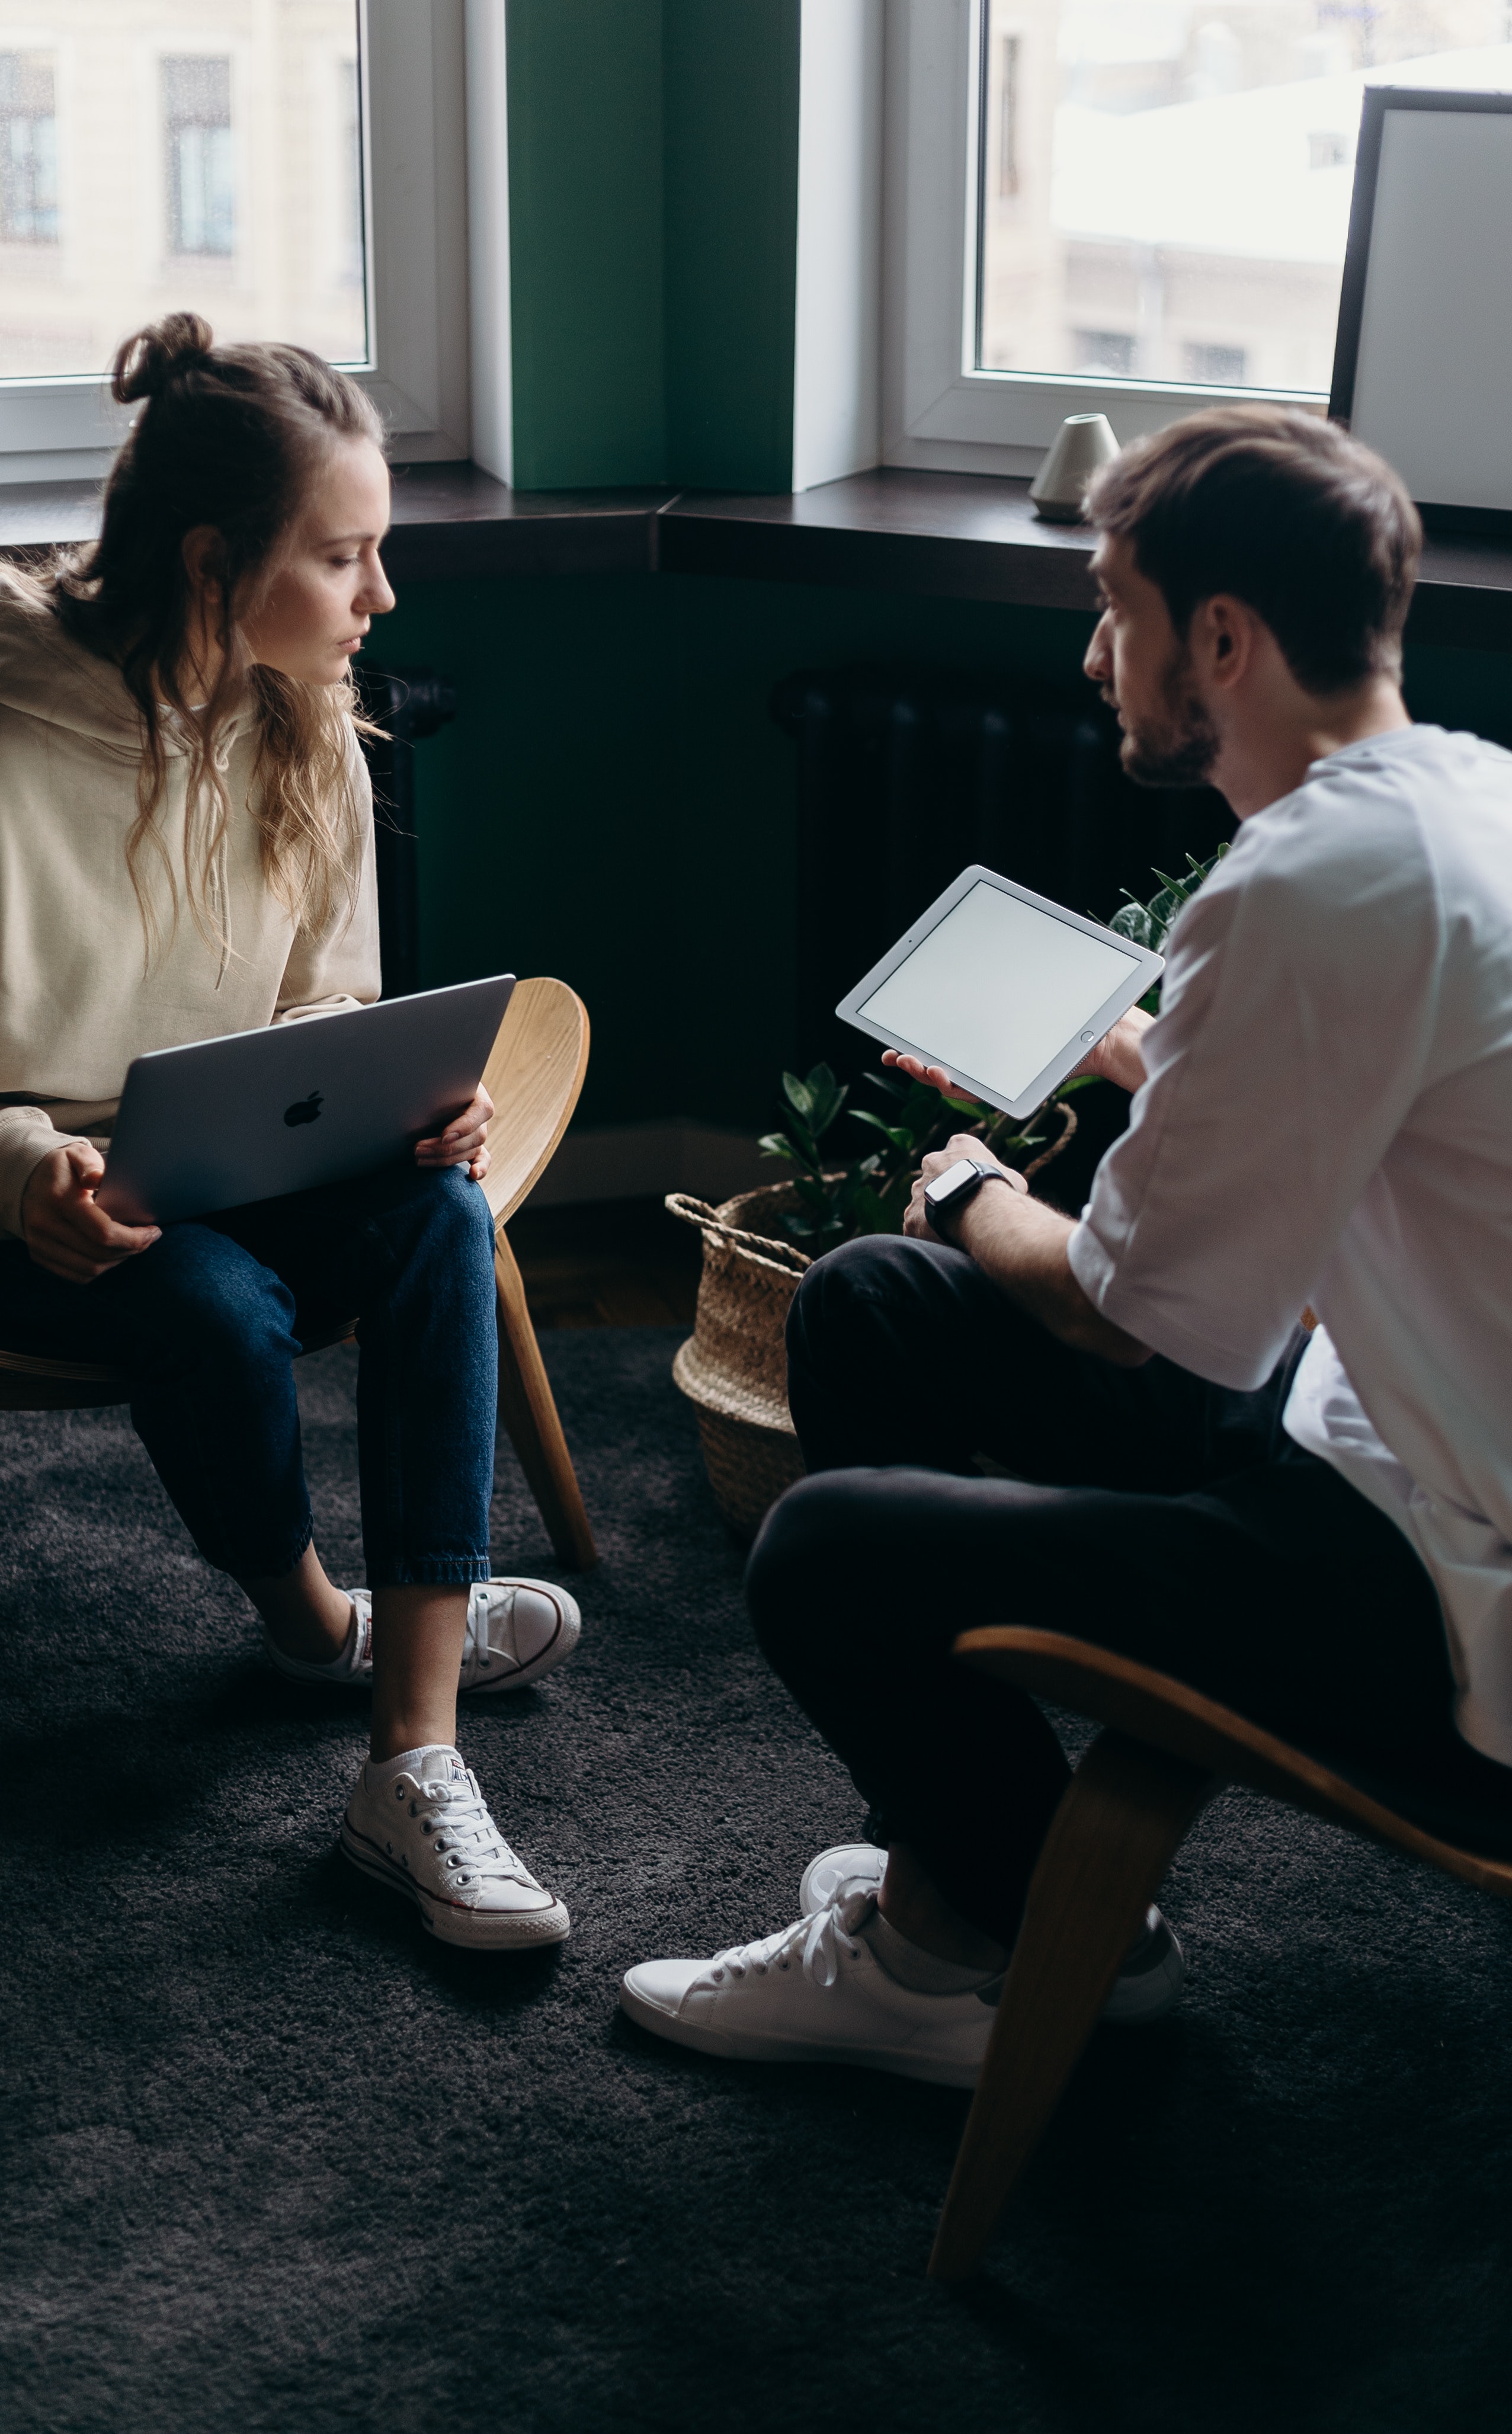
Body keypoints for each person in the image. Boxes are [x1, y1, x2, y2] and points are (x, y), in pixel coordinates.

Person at [621, 403, 1512, 2082]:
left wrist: (971, 1185)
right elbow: (1354, 1107)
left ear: (1225, 638)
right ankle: (988, 1892)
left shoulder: (1306, 884)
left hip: (1437, 1593)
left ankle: (985, 1937)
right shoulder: (1460, 804)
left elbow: (1125, 1320)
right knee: (876, 1306)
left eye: (1117, 609)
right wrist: (1143, 1054)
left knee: (823, 1546)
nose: (1101, 656)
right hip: (1373, 1434)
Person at [0, 314, 579, 1952]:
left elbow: (323, 1008)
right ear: (213, 561)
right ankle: (311, 1620)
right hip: (12, 1219)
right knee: (208, 1300)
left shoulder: (308, 720)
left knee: (437, 1218)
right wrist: (12, 1168)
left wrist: (403, 1099)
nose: (380, 597)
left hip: (227, 1169)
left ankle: (410, 1757)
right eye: (344, 557)